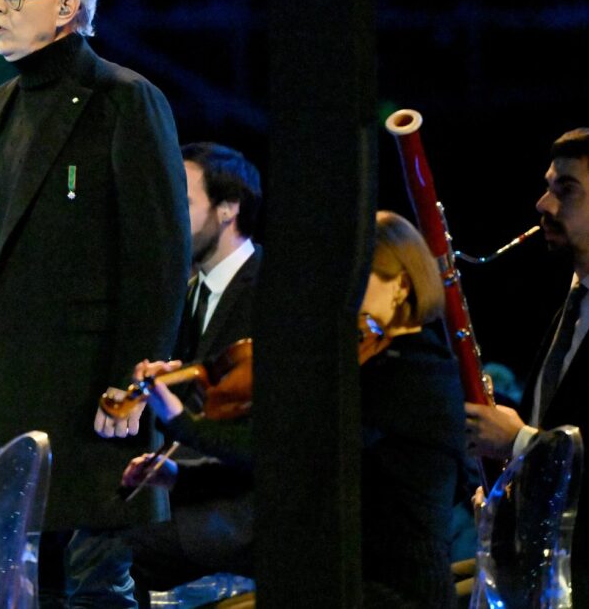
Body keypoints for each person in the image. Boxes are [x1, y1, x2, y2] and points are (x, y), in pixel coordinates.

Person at [0, 0, 190, 606]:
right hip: (6, 396)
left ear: (65, 9)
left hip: (94, 404)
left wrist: (131, 383)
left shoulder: (125, 99)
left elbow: (158, 257)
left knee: (94, 590)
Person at [124, 211, 466, 607]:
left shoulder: (416, 371)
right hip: (343, 586)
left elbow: (288, 449)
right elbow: (295, 472)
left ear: (401, 286)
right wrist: (179, 477)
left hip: (395, 595)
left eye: (357, 274)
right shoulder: (373, 362)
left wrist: (183, 422)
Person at [110, 142, 261, 601]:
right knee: (70, 531)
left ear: (228, 209)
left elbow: (251, 431)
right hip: (186, 494)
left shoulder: (269, 291)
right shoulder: (182, 291)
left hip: (237, 510)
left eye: (186, 199)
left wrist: (177, 412)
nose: (171, 212)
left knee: (108, 555)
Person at [465, 126, 589, 599]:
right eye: (547, 185)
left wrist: (517, 441)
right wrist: (508, 496)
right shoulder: (569, 306)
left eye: (566, 190)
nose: (543, 204)